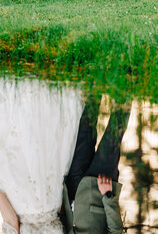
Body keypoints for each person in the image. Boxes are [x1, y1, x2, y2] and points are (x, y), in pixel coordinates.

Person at [0, 71, 84, 234]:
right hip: (31, 200)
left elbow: (12, 222)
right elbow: (11, 221)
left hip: (46, 199)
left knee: (36, 144)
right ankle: (20, 86)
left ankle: (36, 86)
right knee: (19, 143)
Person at [61, 99, 130, 234]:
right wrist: (108, 196)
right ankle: (126, 88)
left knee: (84, 131)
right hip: (102, 188)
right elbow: (116, 230)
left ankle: (95, 87)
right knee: (113, 135)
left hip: (74, 187)